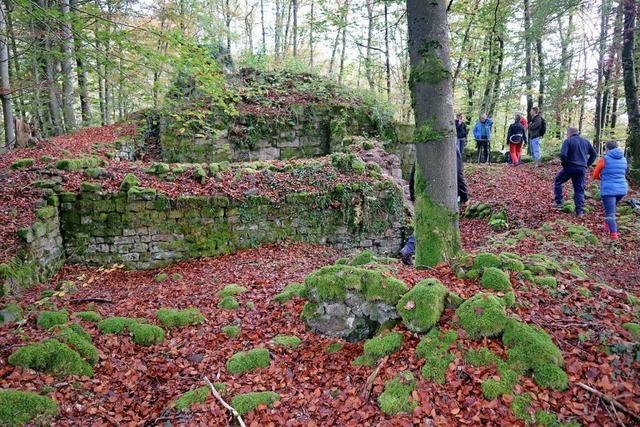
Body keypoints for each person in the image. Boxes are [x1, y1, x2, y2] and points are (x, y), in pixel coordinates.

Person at [400, 144, 469, 266]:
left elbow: (415, 172)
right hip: (445, 195)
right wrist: (465, 196)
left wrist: (413, 194)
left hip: (425, 192)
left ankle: (410, 249)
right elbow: (457, 173)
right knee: (444, 223)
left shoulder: (426, 144)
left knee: (426, 222)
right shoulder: (451, 146)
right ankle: (412, 249)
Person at [554, 127, 597, 218]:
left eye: (567, 133)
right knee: (579, 189)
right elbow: (594, 154)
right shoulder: (585, 142)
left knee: (558, 181)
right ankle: (579, 212)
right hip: (581, 168)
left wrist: (564, 164)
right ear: (577, 133)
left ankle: (559, 203)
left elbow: (563, 154)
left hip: (570, 166)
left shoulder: (568, 141)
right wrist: (587, 164)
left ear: (569, 133)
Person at [592, 140, 628, 240]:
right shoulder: (624, 159)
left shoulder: (604, 159)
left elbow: (595, 175)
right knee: (611, 210)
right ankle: (607, 226)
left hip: (609, 190)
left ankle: (614, 236)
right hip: (622, 189)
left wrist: (603, 178)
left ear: (606, 148)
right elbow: (624, 172)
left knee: (610, 213)